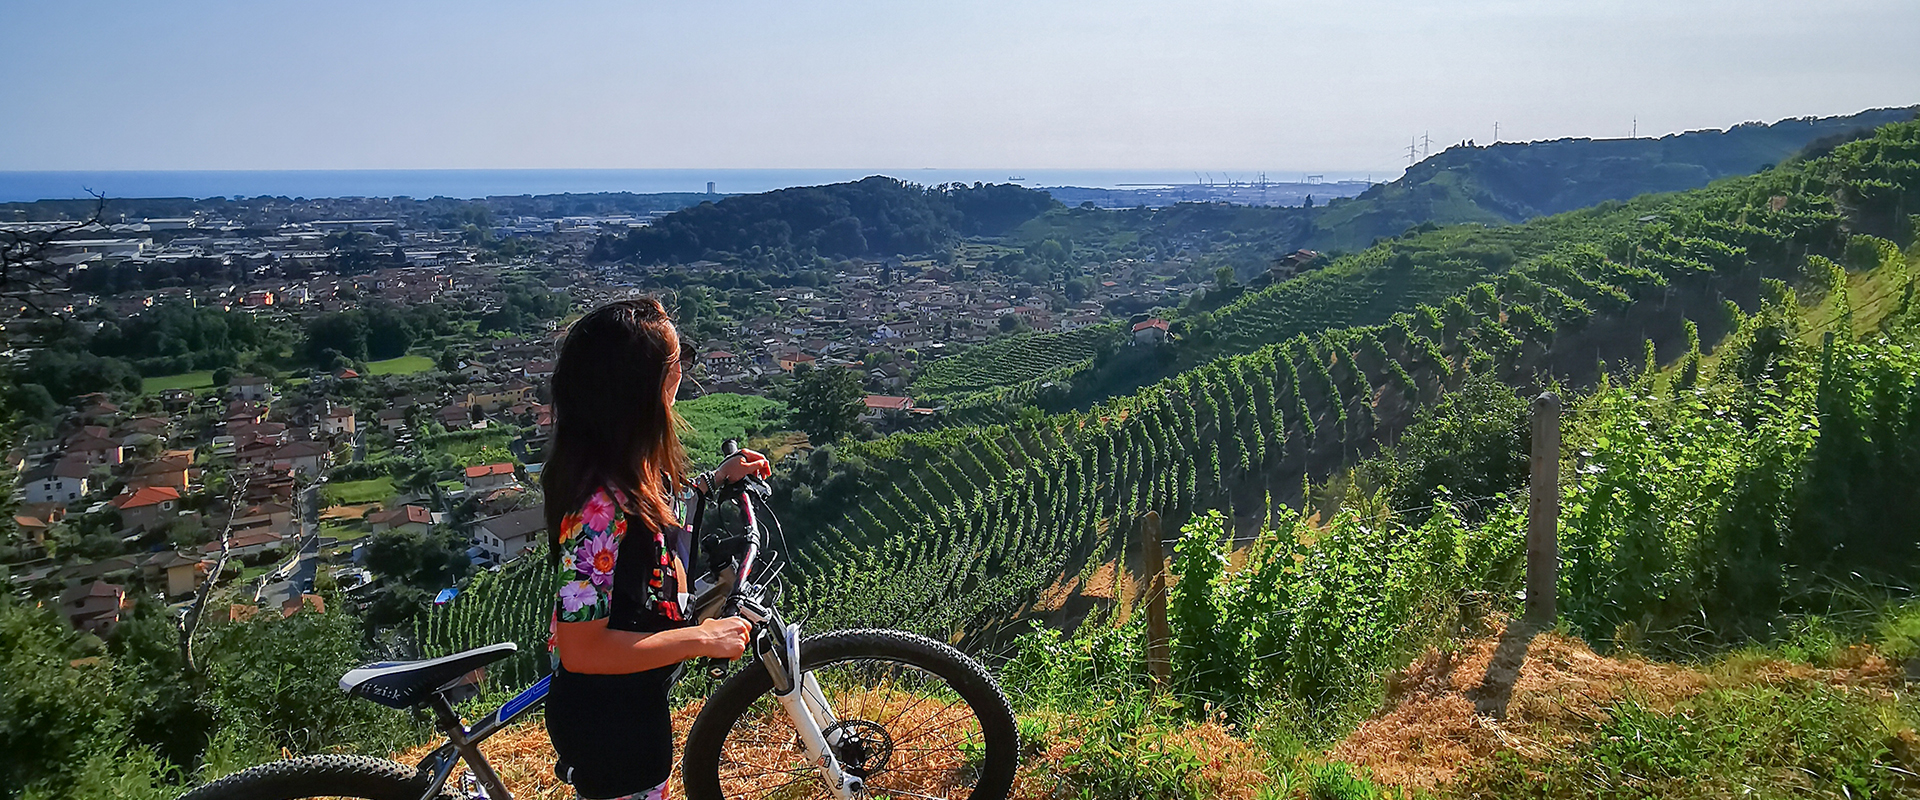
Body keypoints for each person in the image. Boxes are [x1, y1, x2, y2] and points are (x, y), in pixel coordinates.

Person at [542, 298, 772, 800]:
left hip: (630, 702)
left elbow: (653, 521)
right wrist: (701, 639)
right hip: (612, 723)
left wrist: (714, 483)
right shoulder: (596, 508)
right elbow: (584, 650)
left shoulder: (626, 462)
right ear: (640, 385)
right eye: (678, 360)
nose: (684, 373)